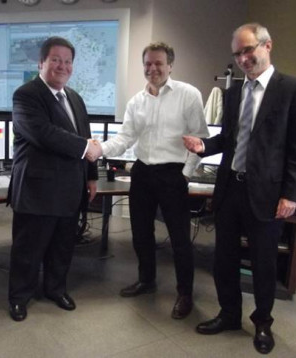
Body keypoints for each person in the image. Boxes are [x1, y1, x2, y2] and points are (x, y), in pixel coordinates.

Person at [183, 23, 296, 354]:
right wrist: (203, 146)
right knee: (223, 260)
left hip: (267, 195)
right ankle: (228, 314)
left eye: (248, 50)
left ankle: (263, 323)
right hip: (230, 190)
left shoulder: (293, 89)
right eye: (237, 53)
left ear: (268, 46)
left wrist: (291, 195)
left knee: (263, 264)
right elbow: (229, 139)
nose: (242, 58)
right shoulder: (235, 91)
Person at [87, 41, 209, 320]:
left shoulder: (188, 95)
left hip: (173, 173)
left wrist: (185, 174)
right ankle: (147, 280)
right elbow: (125, 139)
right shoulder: (136, 102)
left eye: (158, 63)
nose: (152, 69)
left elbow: (199, 138)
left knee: (179, 238)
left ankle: (185, 293)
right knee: (141, 233)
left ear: (170, 66)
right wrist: (99, 150)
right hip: (142, 172)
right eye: (148, 64)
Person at [6, 36, 99, 322]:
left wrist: (92, 176)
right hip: (38, 189)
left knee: (62, 246)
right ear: (41, 63)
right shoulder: (26, 95)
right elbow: (44, 133)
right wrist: (86, 148)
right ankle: (19, 297)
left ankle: (55, 289)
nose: (62, 66)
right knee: (28, 249)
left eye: (68, 61)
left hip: (71, 188)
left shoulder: (75, 97)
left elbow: (86, 134)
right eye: (56, 60)